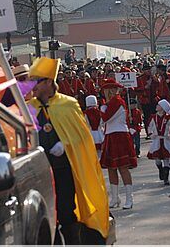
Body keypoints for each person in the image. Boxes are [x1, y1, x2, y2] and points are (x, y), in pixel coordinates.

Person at [27, 57, 109, 244]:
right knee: (46, 216)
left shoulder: (68, 104)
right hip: (41, 173)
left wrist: (65, 143)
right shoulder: (29, 107)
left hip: (63, 169)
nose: (33, 86)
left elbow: (83, 137)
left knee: (65, 212)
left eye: (36, 81)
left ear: (49, 82)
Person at [99, 81, 137, 210]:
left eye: (105, 90)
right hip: (111, 135)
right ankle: (115, 198)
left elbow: (105, 118)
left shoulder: (117, 101)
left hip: (119, 135)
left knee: (122, 168)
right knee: (111, 168)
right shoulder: (111, 103)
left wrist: (102, 109)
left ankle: (129, 198)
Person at [147, 99, 170, 186]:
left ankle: (166, 178)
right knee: (157, 159)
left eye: (159, 105)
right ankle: (161, 169)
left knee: (166, 159)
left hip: (166, 139)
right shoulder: (153, 117)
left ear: (163, 108)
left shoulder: (169, 118)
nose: (156, 106)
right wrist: (150, 134)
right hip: (157, 139)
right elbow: (149, 126)